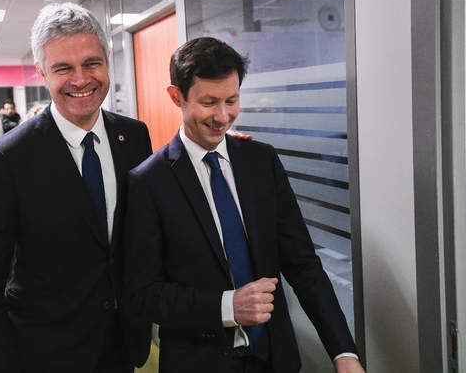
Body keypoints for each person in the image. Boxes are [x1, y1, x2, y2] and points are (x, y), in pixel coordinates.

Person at [124, 37, 365, 373]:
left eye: (232, 100)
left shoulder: (261, 161)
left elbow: (303, 265)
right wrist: (227, 307)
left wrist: (343, 353)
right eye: (208, 102)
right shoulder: (148, 182)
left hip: (275, 360)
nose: (223, 117)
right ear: (176, 96)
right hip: (198, 364)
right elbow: (143, 293)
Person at [0, 2, 153, 372]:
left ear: (108, 59)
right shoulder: (6, 159)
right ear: (41, 72)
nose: (81, 80)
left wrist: (213, 148)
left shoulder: (134, 135)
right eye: (63, 68)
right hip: (46, 351)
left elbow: (155, 218)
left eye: (91, 63)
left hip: (122, 343)